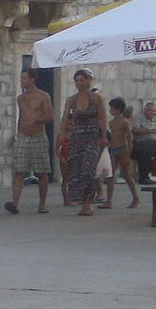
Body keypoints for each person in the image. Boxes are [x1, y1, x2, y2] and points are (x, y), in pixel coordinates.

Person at [6, 68, 55, 214]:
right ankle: (14, 203)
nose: (22, 81)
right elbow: (21, 116)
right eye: (21, 78)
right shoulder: (21, 98)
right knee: (19, 171)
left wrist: (36, 120)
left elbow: (50, 116)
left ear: (32, 79)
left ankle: (42, 204)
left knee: (41, 172)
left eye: (24, 78)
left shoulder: (43, 96)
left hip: (38, 137)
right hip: (23, 136)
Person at [61, 70, 107, 215]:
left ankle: (88, 202)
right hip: (77, 137)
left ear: (88, 81)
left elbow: (102, 117)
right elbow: (65, 118)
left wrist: (103, 136)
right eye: (77, 80)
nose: (79, 83)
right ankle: (82, 201)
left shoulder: (96, 98)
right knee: (77, 170)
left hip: (93, 135)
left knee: (89, 168)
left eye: (82, 80)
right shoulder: (71, 100)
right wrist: (62, 135)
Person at [104, 98, 142, 210]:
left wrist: (128, 151)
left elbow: (129, 137)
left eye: (112, 108)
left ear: (118, 109)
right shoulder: (111, 123)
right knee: (110, 175)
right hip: (113, 148)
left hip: (123, 149)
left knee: (127, 175)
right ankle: (108, 200)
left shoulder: (124, 122)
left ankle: (135, 197)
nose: (110, 110)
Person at [131, 100, 156, 185]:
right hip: (141, 143)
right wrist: (150, 131)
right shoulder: (139, 117)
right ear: (145, 110)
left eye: (154, 111)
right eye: (150, 110)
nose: (152, 113)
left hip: (153, 143)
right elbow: (135, 130)